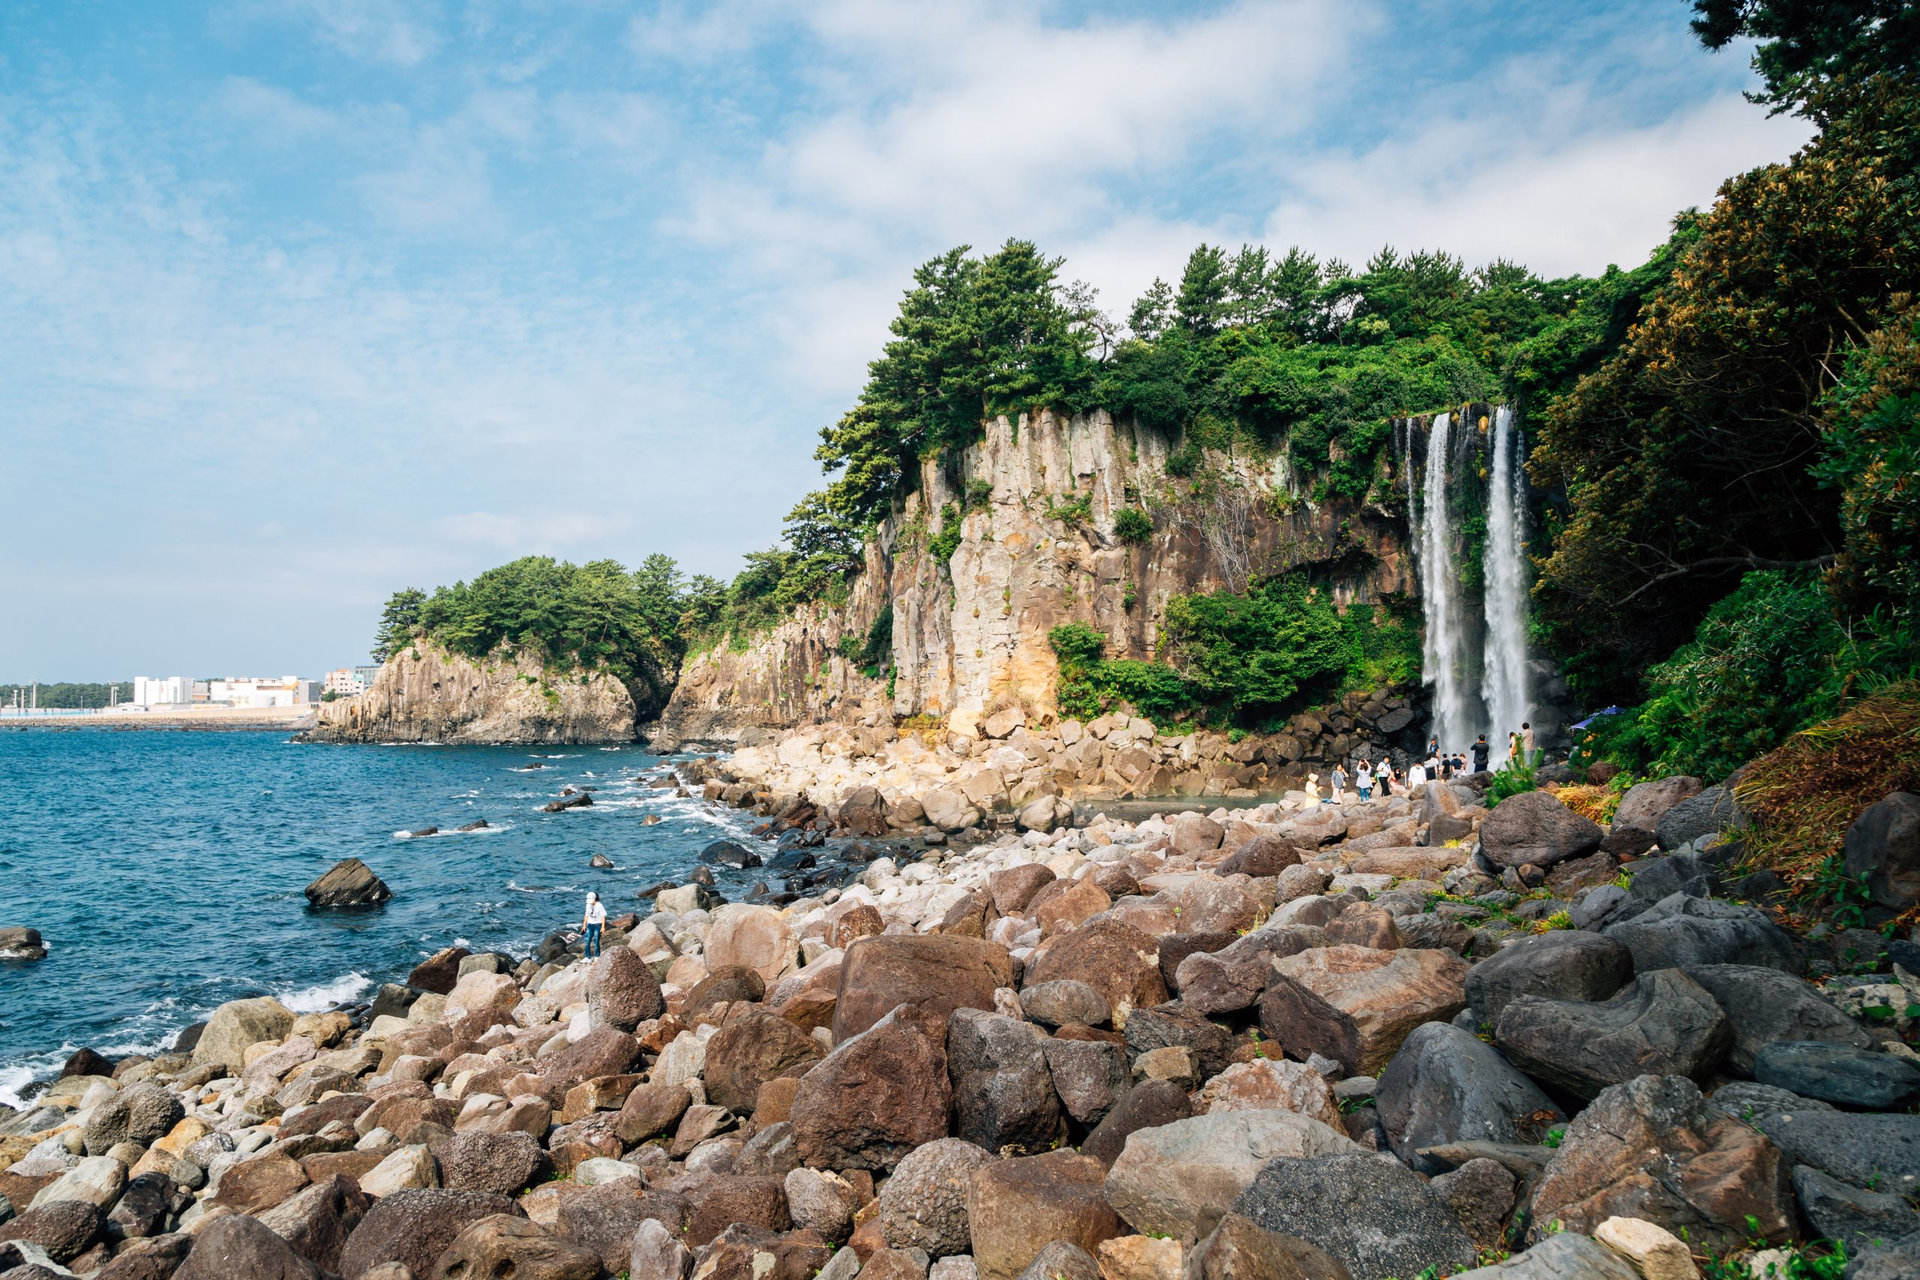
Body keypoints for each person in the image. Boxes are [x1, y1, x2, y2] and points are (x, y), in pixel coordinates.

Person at [581, 891, 606, 959]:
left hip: (597, 925)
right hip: (589, 925)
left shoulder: (599, 905)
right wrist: (584, 925)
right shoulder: (588, 905)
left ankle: (597, 956)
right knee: (587, 941)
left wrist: (602, 927)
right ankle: (587, 957)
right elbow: (586, 916)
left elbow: (603, 917)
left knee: (596, 941)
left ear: (595, 899)